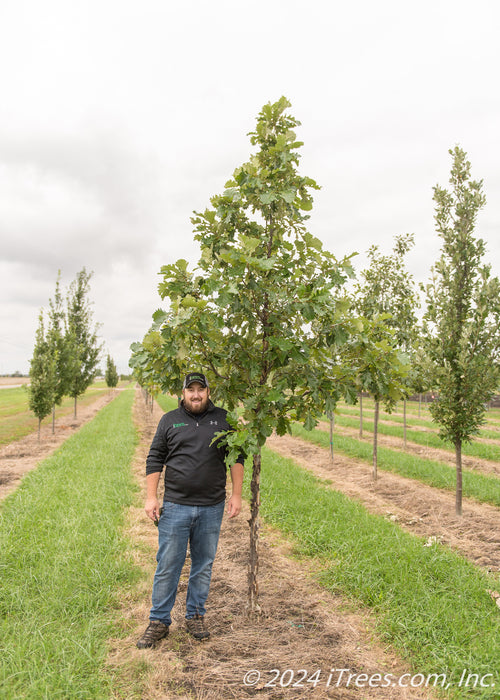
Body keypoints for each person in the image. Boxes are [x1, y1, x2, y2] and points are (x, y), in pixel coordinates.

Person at [136, 371, 245, 648]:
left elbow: (236, 456)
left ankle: (195, 615)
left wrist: (236, 494)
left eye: (201, 389)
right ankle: (158, 621)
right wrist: (151, 497)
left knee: (203, 565)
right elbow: (154, 458)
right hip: (175, 506)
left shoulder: (224, 419)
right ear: (182, 393)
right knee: (168, 565)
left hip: (211, 507)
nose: (196, 394)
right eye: (191, 390)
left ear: (209, 391)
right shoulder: (169, 421)